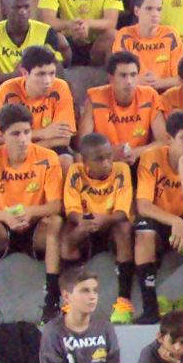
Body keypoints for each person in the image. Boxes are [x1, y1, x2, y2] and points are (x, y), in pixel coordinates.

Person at [0, 103, 65, 325]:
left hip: (36, 226)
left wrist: (30, 212)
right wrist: (6, 217)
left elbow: (55, 205)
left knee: (55, 222)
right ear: (1, 135)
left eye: (27, 132)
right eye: (15, 134)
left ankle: (52, 301)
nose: (23, 139)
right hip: (4, 226)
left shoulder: (48, 157)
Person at [132, 114, 183, 324]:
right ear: (169, 139)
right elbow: (143, 205)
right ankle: (150, 308)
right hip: (161, 218)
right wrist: (175, 222)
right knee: (143, 234)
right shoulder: (151, 158)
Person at [60, 132, 136, 323]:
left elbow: (123, 211)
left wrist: (104, 220)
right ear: (85, 161)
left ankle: (124, 301)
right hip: (87, 222)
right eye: (99, 159)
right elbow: (71, 210)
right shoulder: (75, 172)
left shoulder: (121, 169)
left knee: (124, 230)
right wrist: (83, 222)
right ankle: (70, 303)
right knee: (68, 238)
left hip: (111, 223)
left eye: (109, 156)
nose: (106, 163)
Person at [0, 0, 67, 122]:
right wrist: (14, 77)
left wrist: (31, 79)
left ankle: (67, 131)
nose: (23, 12)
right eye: (17, 8)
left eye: (26, 7)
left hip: (37, 83)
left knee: (66, 86)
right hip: (2, 85)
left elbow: (58, 69)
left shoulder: (45, 31)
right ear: (4, 9)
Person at [0, 43, 76, 152]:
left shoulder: (60, 87)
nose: (48, 81)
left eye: (52, 73)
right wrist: (42, 133)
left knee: (65, 158)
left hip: (44, 148)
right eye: (41, 74)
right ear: (25, 73)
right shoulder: (7, 89)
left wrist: (29, 152)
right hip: (12, 149)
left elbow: (64, 139)